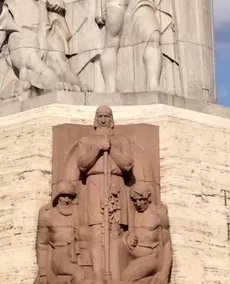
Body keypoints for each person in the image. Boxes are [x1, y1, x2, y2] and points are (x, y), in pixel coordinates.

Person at [62, 107, 136, 284]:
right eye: (100, 116)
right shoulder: (86, 141)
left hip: (116, 183)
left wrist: (111, 149)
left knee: (115, 233)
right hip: (95, 183)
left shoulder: (121, 140)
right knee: (96, 232)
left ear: (111, 119)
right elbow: (82, 164)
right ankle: (98, 276)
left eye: (106, 116)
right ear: (95, 119)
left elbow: (127, 164)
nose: (103, 120)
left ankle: (115, 277)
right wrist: (97, 148)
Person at [36, 184, 87, 284]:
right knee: (79, 274)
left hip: (79, 253)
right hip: (59, 256)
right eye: (63, 196)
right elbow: (42, 245)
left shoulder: (78, 211)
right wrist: (43, 272)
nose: (66, 200)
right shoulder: (47, 214)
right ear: (57, 197)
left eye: (69, 196)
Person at [122, 184, 171, 284]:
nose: (138, 203)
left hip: (153, 257)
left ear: (148, 197)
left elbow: (167, 245)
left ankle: (154, 280)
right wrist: (127, 238)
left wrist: (165, 272)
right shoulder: (132, 213)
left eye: (141, 199)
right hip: (133, 256)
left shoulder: (159, 214)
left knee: (127, 277)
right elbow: (126, 234)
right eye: (135, 200)